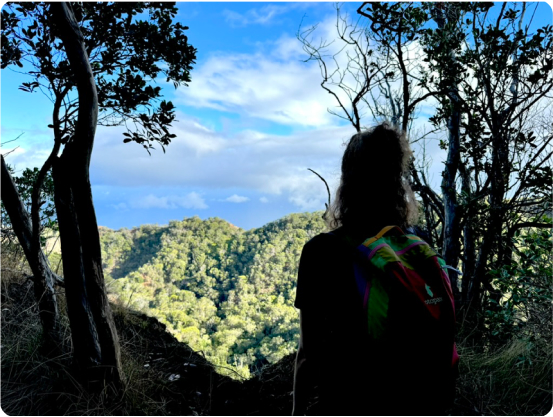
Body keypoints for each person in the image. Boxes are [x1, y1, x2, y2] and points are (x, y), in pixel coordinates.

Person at [292, 123, 457, 416]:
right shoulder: (416, 246)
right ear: (397, 183)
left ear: (347, 183)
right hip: (419, 402)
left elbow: (308, 355)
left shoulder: (322, 251)